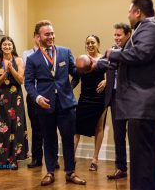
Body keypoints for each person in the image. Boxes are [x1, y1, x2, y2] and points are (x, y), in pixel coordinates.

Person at [81, 0, 155, 190]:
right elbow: (129, 60)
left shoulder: (150, 28)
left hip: (144, 103)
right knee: (150, 152)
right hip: (145, 103)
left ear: (138, 12)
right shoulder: (149, 29)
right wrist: (97, 63)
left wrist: (110, 53)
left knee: (142, 156)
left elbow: (140, 55)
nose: (128, 15)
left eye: (130, 11)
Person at [25, 20, 86, 186]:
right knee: (49, 139)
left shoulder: (65, 52)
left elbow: (76, 73)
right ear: (38, 37)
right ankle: (50, 172)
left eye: (52, 33)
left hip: (66, 105)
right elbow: (28, 83)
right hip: (45, 105)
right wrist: (37, 98)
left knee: (68, 138)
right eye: (47, 34)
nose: (51, 36)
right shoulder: (32, 59)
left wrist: (69, 88)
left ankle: (70, 172)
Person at [0, 36, 29, 170]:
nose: (7, 47)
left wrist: (11, 69)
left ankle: (14, 159)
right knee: (2, 126)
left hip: (16, 97)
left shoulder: (18, 60)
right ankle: (3, 159)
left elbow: (20, 80)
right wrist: (6, 72)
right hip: (2, 97)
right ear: (1, 47)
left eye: (9, 45)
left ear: (13, 46)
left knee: (16, 126)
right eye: (4, 45)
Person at [22, 33, 60, 169]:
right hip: (34, 96)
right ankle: (37, 158)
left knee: (51, 128)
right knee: (36, 128)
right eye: (39, 37)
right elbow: (27, 76)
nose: (41, 39)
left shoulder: (55, 53)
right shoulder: (27, 55)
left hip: (49, 95)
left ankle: (54, 159)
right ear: (35, 37)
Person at [74, 35, 107, 172]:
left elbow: (114, 73)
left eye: (93, 42)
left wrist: (107, 81)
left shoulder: (104, 59)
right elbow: (76, 78)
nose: (90, 45)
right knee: (76, 128)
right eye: (88, 43)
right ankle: (71, 157)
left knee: (99, 127)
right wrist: (67, 90)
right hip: (85, 96)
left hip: (100, 97)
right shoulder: (82, 59)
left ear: (98, 44)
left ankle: (95, 159)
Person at [106, 23, 131, 180]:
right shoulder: (111, 50)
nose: (116, 38)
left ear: (128, 34)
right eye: (114, 35)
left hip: (132, 98)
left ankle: (139, 167)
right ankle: (121, 168)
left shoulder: (133, 51)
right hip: (115, 97)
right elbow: (103, 65)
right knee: (119, 134)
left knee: (135, 135)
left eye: (119, 35)